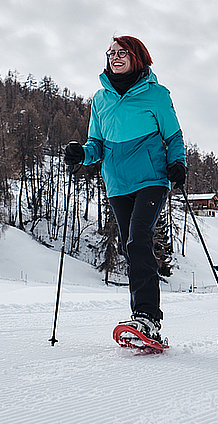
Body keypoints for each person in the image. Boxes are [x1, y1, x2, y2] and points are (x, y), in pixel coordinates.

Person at [63, 35, 186, 347]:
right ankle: (142, 320)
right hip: (117, 183)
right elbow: (97, 144)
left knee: (138, 238)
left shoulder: (156, 95)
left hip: (151, 179)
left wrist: (178, 163)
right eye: (111, 53)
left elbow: (173, 136)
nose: (115, 57)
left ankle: (148, 318)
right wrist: (82, 154)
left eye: (122, 53)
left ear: (137, 57)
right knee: (131, 248)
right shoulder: (100, 99)